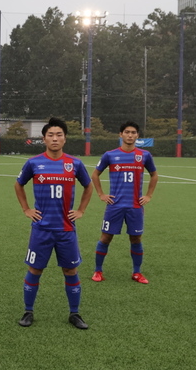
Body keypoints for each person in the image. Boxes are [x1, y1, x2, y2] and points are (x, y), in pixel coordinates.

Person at [14, 117, 93, 329]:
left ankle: (74, 313)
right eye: (51, 135)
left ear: (65, 139)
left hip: (66, 229)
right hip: (41, 229)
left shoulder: (74, 163)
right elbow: (19, 184)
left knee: (70, 271)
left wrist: (81, 210)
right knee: (35, 270)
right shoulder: (34, 163)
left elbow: (88, 186)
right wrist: (26, 209)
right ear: (44, 139)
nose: (55, 138)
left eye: (59, 135)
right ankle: (28, 311)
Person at [91, 121, 158, 284]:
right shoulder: (110, 155)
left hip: (135, 206)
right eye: (127, 132)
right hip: (114, 206)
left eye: (133, 132)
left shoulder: (144, 155)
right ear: (121, 134)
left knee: (136, 239)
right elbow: (95, 174)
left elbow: (154, 175)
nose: (130, 135)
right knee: (105, 238)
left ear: (137, 135)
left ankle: (137, 272)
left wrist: (148, 195)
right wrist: (101, 194)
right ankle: (98, 271)